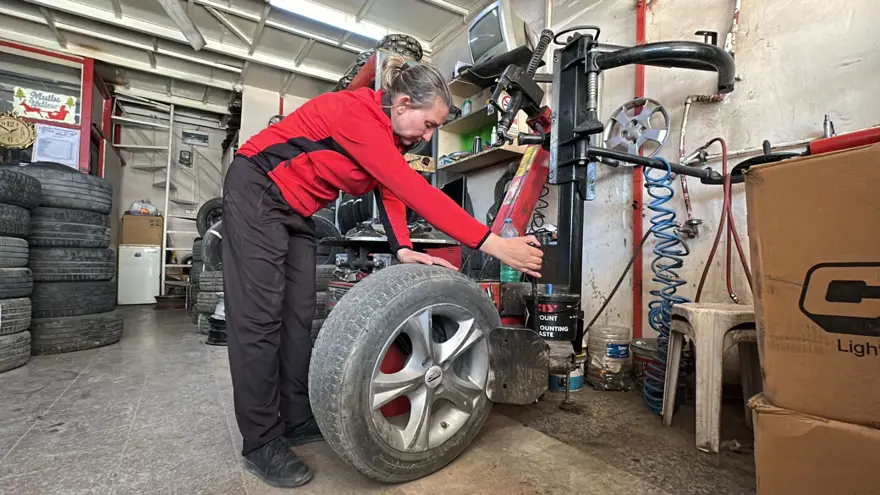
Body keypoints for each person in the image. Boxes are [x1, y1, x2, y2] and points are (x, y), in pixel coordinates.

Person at [222, 55, 544, 488]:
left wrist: (404, 248)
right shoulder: (356, 115)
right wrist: (493, 243)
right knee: (260, 319)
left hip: (297, 211)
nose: (429, 135)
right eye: (429, 124)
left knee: (298, 316)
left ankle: (295, 416)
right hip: (258, 188)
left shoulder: (392, 140)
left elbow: (390, 190)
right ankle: (260, 441)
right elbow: (412, 189)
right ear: (403, 103)